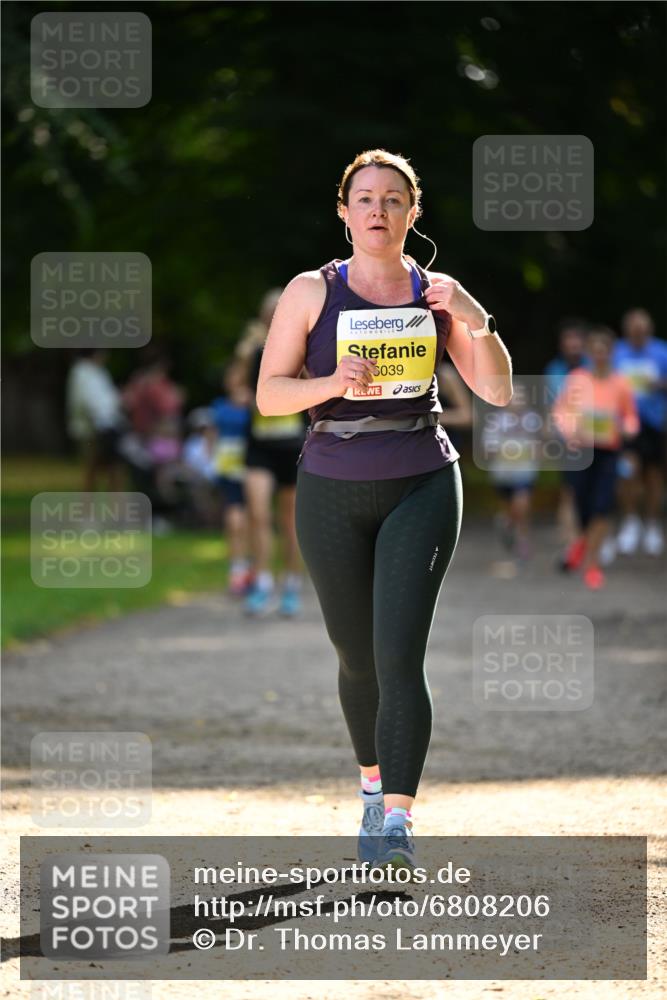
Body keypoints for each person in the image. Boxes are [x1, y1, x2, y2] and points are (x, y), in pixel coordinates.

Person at [255, 149, 512, 875]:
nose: (378, 210)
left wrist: (476, 317)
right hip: (331, 485)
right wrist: (330, 379)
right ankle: (371, 784)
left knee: (398, 655)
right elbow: (268, 394)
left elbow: (494, 393)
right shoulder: (311, 291)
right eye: (364, 198)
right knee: (355, 655)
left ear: (412, 212)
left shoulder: (438, 294)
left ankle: (395, 820)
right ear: (343, 212)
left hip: (421, 481)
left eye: (393, 199)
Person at [553, 325, 639, 589]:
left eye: (605, 351)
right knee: (581, 504)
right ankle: (579, 543)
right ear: (590, 352)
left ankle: (592, 563)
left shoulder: (621, 382)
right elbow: (561, 411)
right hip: (581, 450)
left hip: (608, 452)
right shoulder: (577, 378)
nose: (600, 355)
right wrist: (570, 431)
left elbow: (630, 417)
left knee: (602, 506)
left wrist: (627, 429)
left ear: (611, 353)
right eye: (596, 351)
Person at [236, 294, 307, 617]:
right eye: (269, 314)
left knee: (290, 521)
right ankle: (262, 582)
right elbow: (234, 388)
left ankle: (291, 584)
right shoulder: (253, 352)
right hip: (260, 446)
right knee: (258, 514)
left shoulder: (304, 348)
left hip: (293, 446)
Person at [612, 308, 667, 557]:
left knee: (653, 475)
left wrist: (659, 384)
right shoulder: (617, 352)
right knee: (628, 472)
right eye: (634, 330)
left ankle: (652, 524)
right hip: (625, 425)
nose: (638, 334)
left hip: (655, 423)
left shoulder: (661, 352)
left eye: (642, 330)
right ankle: (631, 521)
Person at [544, 319, 591, 545]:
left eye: (576, 340)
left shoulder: (594, 367)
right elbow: (553, 407)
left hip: (595, 438)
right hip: (566, 439)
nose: (573, 344)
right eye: (568, 340)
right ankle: (573, 543)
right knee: (570, 489)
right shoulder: (554, 370)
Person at [482, 381, 540, 563]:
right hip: (503, 473)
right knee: (510, 509)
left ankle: (523, 542)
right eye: (515, 397)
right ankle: (507, 524)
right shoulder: (496, 422)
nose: (518, 401)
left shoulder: (532, 420)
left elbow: (539, 444)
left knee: (522, 506)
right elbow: (488, 448)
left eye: (521, 397)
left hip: (525, 472)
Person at [210, 360, 253, 595]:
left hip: (249, 463)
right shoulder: (219, 406)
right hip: (228, 464)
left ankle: (249, 565)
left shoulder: (253, 403)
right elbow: (213, 434)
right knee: (235, 517)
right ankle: (237, 566)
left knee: (251, 517)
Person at [65, 348, 126, 491]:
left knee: (112, 467)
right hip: (92, 428)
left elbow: (108, 399)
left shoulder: (98, 372)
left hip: (107, 425)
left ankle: (115, 505)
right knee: (93, 467)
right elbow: (87, 401)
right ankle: (88, 505)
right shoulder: (82, 372)